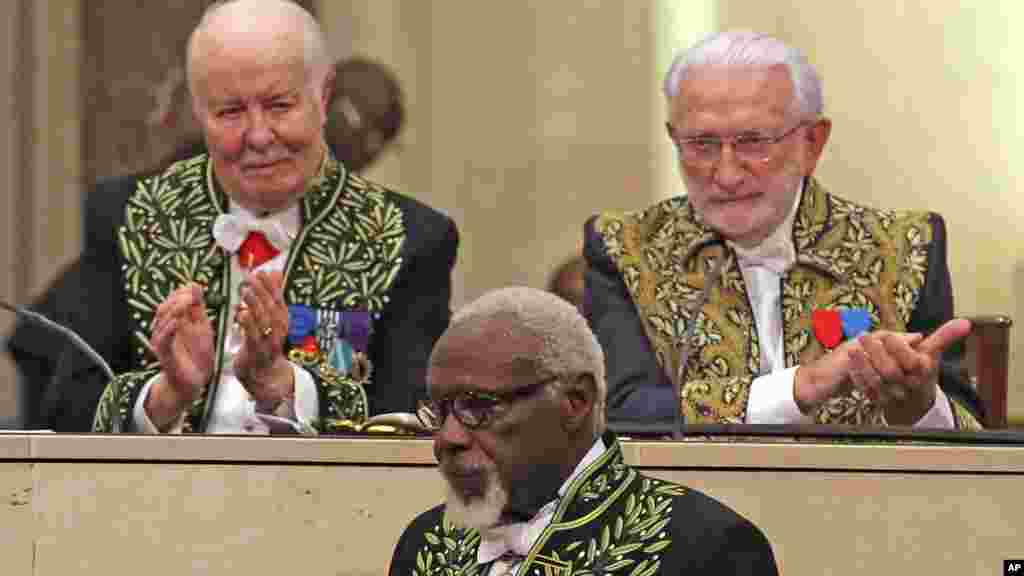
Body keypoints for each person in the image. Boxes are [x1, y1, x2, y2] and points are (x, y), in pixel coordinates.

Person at [8, 0, 458, 434]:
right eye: (230, 112)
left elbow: (417, 426)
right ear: (199, 112)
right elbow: (65, 410)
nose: (259, 135)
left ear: (322, 96)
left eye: (280, 105)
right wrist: (168, 394)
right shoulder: (127, 217)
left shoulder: (410, 240)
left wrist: (285, 387)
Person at [584, 30, 982, 429]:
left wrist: (918, 403)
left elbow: (971, 441)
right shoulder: (627, 246)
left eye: (754, 141)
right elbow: (623, 413)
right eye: (702, 144)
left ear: (813, 142)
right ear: (675, 138)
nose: (726, 175)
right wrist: (802, 385)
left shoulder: (904, 247)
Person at [389, 287, 778, 575]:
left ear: (575, 401)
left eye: (479, 406)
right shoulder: (426, 544)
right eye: (439, 410)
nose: (448, 438)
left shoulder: (709, 548)